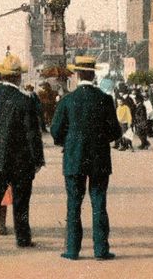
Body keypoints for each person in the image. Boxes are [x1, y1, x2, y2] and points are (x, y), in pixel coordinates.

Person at [0, 53, 44, 253]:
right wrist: (38, 159)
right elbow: (32, 134)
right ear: (18, 77)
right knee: (21, 200)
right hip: (21, 161)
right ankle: (22, 239)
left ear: (2, 76)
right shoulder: (24, 101)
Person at [51, 56, 122, 261]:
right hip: (99, 158)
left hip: (73, 158)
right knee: (99, 202)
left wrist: (69, 141)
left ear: (77, 74)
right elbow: (115, 131)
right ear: (93, 74)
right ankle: (101, 250)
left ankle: (72, 250)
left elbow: (55, 130)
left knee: (74, 203)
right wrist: (100, 140)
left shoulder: (67, 100)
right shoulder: (105, 99)